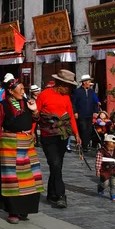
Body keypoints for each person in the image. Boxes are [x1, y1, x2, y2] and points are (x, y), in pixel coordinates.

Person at [0, 78, 43, 224]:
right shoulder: (3, 105)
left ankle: (24, 209)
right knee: (12, 180)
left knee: (30, 177)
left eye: (23, 89)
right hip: (9, 144)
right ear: (10, 91)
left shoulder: (27, 103)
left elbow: (36, 119)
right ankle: (13, 211)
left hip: (27, 144)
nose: (23, 92)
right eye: (20, 89)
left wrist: (35, 111)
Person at [36, 69, 80, 209]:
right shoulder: (44, 95)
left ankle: (51, 194)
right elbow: (35, 115)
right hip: (48, 136)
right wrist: (31, 132)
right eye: (68, 86)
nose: (70, 89)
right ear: (60, 84)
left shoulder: (66, 98)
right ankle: (61, 195)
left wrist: (76, 134)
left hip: (62, 135)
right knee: (55, 164)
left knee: (57, 165)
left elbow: (71, 116)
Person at [71, 74, 99, 152]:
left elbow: (94, 102)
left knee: (89, 130)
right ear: (84, 82)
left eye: (90, 81)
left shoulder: (91, 92)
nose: (89, 82)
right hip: (81, 114)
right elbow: (73, 103)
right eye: (88, 81)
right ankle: (83, 145)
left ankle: (85, 145)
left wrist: (95, 111)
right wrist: (75, 112)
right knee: (82, 129)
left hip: (89, 114)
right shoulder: (77, 91)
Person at [95, 134, 115, 201]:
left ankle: (113, 194)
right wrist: (98, 170)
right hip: (105, 170)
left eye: (113, 147)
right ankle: (100, 188)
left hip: (114, 171)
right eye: (110, 147)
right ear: (105, 144)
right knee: (105, 183)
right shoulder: (101, 152)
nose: (111, 149)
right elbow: (98, 162)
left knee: (114, 183)